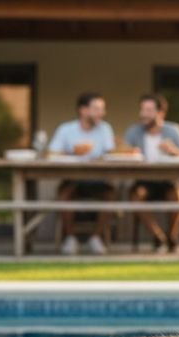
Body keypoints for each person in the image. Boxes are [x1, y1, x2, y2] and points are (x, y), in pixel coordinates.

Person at [123, 93, 179, 252]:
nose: (144, 114)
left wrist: (174, 151)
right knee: (136, 196)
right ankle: (158, 236)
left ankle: (172, 236)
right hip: (144, 182)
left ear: (160, 113)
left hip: (170, 180)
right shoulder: (133, 132)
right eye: (142, 110)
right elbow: (120, 153)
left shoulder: (174, 130)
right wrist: (128, 153)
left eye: (148, 110)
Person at [48, 92, 115, 255]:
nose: (102, 113)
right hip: (73, 180)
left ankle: (96, 238)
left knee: (111, 195)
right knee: (64, 194)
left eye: (102, 109)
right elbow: (52, 154)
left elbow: (111, 155)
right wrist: (73, 153)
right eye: (97, 109)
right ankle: (70, 238)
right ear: (83, 110)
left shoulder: (105, 129)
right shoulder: (66, 129)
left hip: (98, 180)